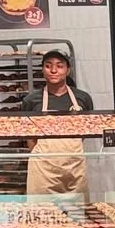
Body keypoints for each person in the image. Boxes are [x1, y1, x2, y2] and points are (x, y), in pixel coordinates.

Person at [25, 49, 95, 201]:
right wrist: (43, 155)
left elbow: (86, 131)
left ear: (68, 70)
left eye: (59, 66)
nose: (53, 70)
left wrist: (69, 149)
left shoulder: (82, 98)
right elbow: (29, 136)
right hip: (43, 170)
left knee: (77, 211)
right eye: (48, 66)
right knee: (42, 211)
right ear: (42, 70)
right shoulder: (31, 100)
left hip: (74, 169)